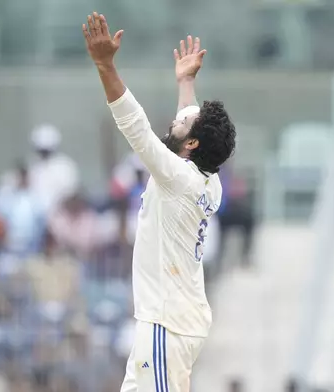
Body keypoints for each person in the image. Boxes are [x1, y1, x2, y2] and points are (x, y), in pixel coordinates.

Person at [83, 13, 236, 392]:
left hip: (167, 324)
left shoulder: (178, 178)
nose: (180, 117)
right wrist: (186, 82)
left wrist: (105, 65)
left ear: (192, 145)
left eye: (187, 121)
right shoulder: (207, 181)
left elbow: (135, 126)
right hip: (173, 322)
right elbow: (188, 124)